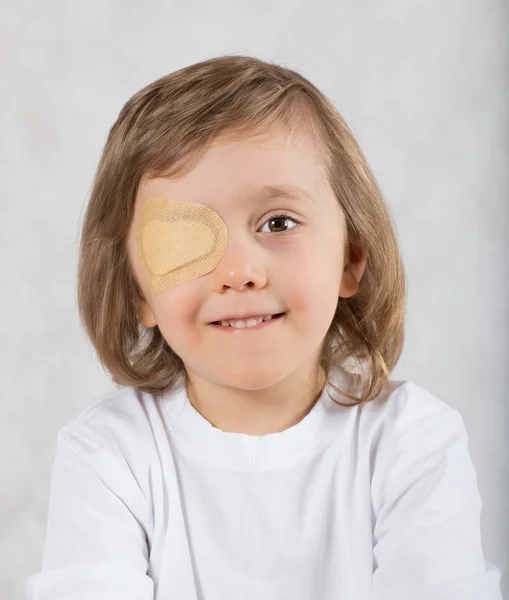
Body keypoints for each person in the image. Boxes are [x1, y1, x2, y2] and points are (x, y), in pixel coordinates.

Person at [25, 55, 503, 600]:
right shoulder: (109, 453)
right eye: (185, 239)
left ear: (350, 257)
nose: (238, 273)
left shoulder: (411, 443)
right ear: (138, 291)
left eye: (279, 223)